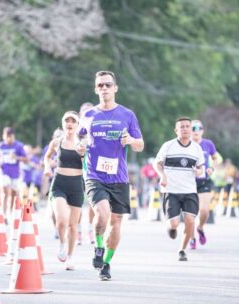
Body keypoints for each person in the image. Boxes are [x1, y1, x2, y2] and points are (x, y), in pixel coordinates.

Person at [77, 71, 144, 280]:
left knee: (116, 222)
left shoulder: (127, 115)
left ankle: (106, 263)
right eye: (100, 85)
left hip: (119, 177)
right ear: (96, 89)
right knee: (102, 214)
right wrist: (79, 147)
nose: (104, 88)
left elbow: (140, 145)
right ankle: (97, 247)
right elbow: (79, 138)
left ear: (115, 88)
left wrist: (131, 141)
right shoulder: (88, 115)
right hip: (95, 175)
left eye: (108, 85)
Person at [154, 117, 205, 262]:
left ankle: (182, 249)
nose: (185, 129)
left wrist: (199, 172)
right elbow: (157, 163)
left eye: (187, 126)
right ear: (176, 130)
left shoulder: (196, 148)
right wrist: (162, 175)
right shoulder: (168, 146)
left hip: (190, 191)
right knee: (174, 224)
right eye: (181, 127)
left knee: (190, 220)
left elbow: (201, 167)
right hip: (171, 191)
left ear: (191, 129)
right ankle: (171, 228)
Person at [44, 111, 84, 270]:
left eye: (73, 121)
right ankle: (62, 244)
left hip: (76, 185)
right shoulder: (56, 142)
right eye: (67, 120)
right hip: (59, 182)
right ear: (63, 124)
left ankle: (70, 257)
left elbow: (89, 163)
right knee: (61, 219)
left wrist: (84, 155)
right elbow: (47, 157)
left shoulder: (83, 144)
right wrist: (47, 168)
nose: (70, 123)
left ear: (77, 125)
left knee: (73, 225)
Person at [189, 120, 220, 250]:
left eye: (199, 128)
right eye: (193, 128)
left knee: (204, 211)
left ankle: (200, 228)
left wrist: (212, 168)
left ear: (202, 130)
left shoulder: (208, 144)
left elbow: (215, 158)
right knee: (189, 215)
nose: (196, 130)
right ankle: (191, 238)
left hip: (203, 181)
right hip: (187, 182)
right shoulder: (185, 144)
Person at [0, 127, 27, 222]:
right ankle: (3, 215)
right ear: (3, 136)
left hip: (15, 174)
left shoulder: (19, 146)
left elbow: (26, 159)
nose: (9, 139)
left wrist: (16, 157)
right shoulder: (0, 146)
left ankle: (10, 213)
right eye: (7, 136)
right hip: (4, 172)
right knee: (4, 192)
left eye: (10, 136)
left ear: (13, 136)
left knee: (13, 194)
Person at [77, 102, 95, 246]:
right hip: (77, 171)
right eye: (85, 112)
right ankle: (77, 231)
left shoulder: (96, 130)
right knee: (77, 203)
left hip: (91, 171)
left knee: (91, 203)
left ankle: (90, 230)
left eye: (90, 111)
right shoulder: (75, 130)